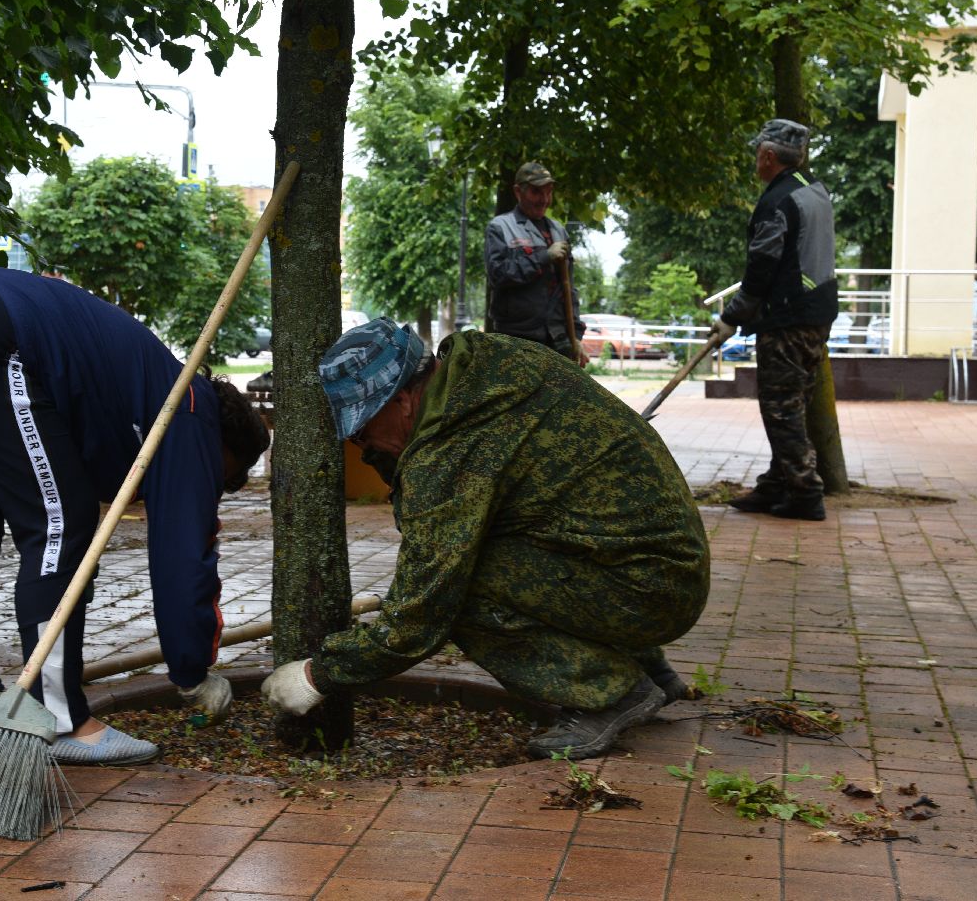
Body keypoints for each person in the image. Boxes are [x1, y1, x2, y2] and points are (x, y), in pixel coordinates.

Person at [0, 267, 269, 765]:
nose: (209, 487)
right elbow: (183, 556)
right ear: (227, 448)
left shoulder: (149, 387)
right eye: (219, 480)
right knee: (63, 520)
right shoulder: (191, 416)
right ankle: (60, 720)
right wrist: (192, 671)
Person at [261, 319, 710, 760]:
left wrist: (319, 675)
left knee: (457, 590)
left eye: (361, 429)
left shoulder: (454, 448)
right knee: (504, 550)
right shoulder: (487, 365)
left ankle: (611, 693)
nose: (360, 445)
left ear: (401, 401)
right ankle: (652, 667)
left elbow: (419, 616)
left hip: (646, 591)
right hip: (663, 566)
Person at [713, 118, 838, 522]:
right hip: (817, 315)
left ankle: (804, 492)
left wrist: (733, 315)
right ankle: (776, 484)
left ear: (768, 156)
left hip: (787, 318)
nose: (756, 160)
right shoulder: (816, 192)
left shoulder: (778, 201)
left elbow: (763, 263)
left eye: (757, 154)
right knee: (794, 403)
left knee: (781, 408)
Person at [484, 161, 589, 365]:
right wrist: (544, 257)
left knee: (562, 396)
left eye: (548, 192)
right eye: (536, 192)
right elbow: (498, 275)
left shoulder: (559, 231)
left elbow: (569, 290)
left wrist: (575, 335)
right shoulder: (501, 227)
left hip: (557, 338)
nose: (544, 200)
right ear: (517, 192)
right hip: (516, 338)